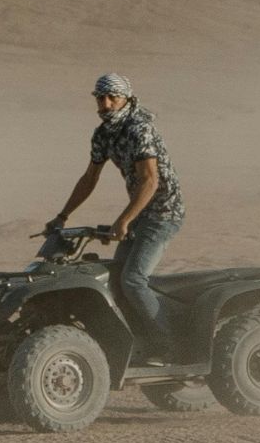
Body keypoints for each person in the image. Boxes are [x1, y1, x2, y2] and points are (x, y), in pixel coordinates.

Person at [48, 72, 186, 359]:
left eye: (113, 97)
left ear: (128, 99)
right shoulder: (103, 135)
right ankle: (134, 341)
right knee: (114, 280)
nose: (106, 103)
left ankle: (171, 345)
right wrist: (63, 215)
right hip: (139, 214)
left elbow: (150, 180)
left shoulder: (139, 129)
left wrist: (123, 220)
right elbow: (89, 178)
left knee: (133, 280)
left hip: (163, 213)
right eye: (101, 98)